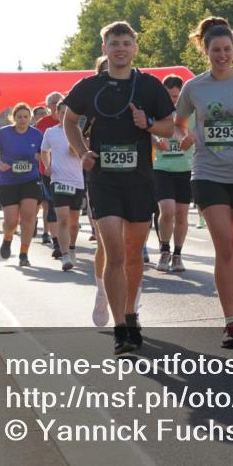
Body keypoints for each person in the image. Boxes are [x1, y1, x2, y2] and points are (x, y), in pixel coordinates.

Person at [63, 22, 175, 354]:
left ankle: (131, 312)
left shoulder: (149, 86)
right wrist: (83, 152)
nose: (121, 48)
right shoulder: (89, 87)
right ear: (105, 49)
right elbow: (69, 120)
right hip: (104, 181)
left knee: (133, 254)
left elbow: (171, 127)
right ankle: (121, 327)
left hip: (140, 180)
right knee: (114, 252)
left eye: (126, 43)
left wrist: (149, 124)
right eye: (114, 43)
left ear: (135, 48)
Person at [175, 17, 233, 348]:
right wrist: (183, 137)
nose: (222, 55)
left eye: (228, 49)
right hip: (207, 174)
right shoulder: (194, 87)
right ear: (206, 51)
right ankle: (229, 320)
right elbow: (178, 123)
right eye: (216, 50)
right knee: (225, 248)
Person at [0, 103, 44, 266]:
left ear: (30, 118)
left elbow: (43, 152)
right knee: (11, 221)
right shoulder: (4, 133)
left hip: (30, 180)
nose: (22, 120)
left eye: (26, 116)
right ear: (14, 117)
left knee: (28, 217)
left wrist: (41, 157)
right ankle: (7, 238)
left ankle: (23, 254)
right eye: (19, 117)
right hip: (8, 181)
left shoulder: (36, 135)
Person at [152, 75, 194, 273]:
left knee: (181, 213)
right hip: (162, 168)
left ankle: (177, 254)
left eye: (176, 96)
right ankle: (164, 250)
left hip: (185, 169)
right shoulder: (156, 110)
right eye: (169, 96)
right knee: (167, 210)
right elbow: (146, 129)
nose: (173, 101)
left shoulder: (190, 111)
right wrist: (155, 142)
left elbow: (201, 129)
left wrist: (191, 138)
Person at [41, 102, 85, 271]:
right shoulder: (51, 132)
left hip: (77, 180)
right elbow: (44, 151)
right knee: (63, 218)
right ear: (57, 113)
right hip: (58, 180)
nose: (65, 115)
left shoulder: (78, 131)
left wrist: (81, 149)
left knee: (74, 222)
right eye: (62, 112)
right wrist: (47, 165)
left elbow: (86, 150)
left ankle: (72, 248)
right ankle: (65, 255)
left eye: (68, 112)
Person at [36, 93, 64, 252]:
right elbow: (36, 149)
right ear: (48, 106)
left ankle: (67, 242)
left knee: (67, 209)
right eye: (53, 103)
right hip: (48, 172)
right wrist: (45, 161)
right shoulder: (42, 124)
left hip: (69, 172)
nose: (56, 105)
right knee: (53, 205)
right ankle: (56, 242)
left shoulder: (71, 120)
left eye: (59, 102)